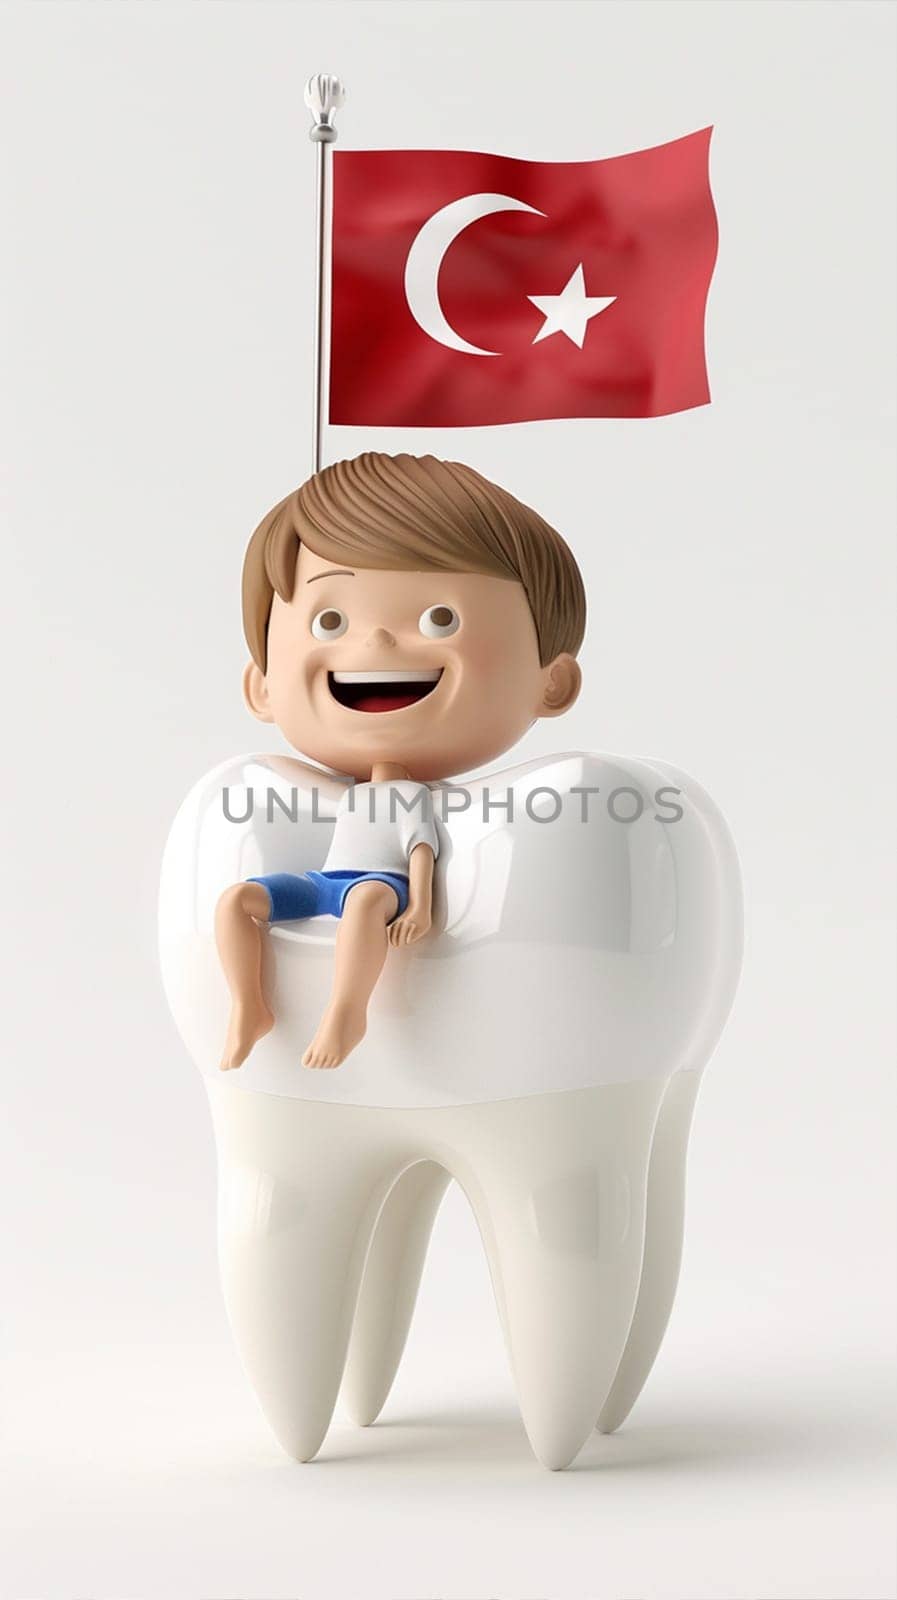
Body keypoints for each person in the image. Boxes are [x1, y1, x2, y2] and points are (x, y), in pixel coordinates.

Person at [215, 451, 586, 1071]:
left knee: (363, 904)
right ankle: (248, 1003)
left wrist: (418, 905)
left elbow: (421, 849)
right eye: (330, 619)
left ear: (553, 683)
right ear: (263, 686)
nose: (376, 642)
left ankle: (347, 1011)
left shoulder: (414, 799)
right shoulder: (329, 793)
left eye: (440, 619)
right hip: (327, 883)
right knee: (237, 902)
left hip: (377, 888)